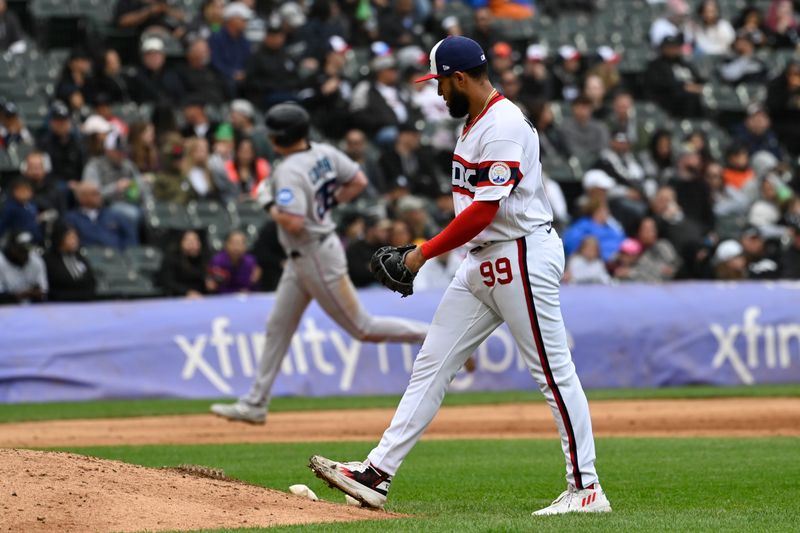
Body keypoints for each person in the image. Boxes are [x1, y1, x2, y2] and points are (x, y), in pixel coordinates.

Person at [309, 36, 611, 515]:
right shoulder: (474, 123)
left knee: (553, 375)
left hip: (520, 253)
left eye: (441, 82)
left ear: (461, 77)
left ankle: (586, 488)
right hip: (483, 262)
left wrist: (420, 254)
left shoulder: (505, 124)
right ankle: (376, 473)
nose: (438, 92)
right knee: (431, 364)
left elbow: (483, 213)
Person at [210, 102, 430, 424]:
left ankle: (432, 336)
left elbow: (294, 223)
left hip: (314, 254)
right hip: (303, 257)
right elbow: (358, 181)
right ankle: (256, 402)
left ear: (276, 138)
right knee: (278, 327)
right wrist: (326, 204)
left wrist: (268, 201)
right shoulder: (325, 152)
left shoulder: (288, 170)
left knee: (363, 328)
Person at [644, 34, 705, 118]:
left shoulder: (685, 64)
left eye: (675, 47)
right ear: (663, 48)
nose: (673, 49)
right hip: (670, 100)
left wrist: (698, 87)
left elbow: (698, 79)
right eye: (670, 47)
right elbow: (659, 84)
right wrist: (684, 87)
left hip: (691, 96)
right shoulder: (656, 65)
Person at [64, 182, 138, 250]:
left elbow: (130, 237)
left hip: (117, 258)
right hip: (89, 257)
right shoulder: (72, 218)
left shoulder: (114, 215)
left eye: (99, 193)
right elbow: (72, 241)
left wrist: (126, 253)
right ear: (81, 198)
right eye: (94, 194)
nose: (99, 197)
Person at [44, 224, 97, 302]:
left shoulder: (80, 258)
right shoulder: (48, 261)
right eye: (70, 238)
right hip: (59, 305)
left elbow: (91, 281)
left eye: (75, 237)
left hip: (85, 303)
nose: (74, 241)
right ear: (59, 239)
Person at [209, 2, 253, 88]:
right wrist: (231, 73)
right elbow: (215, 61)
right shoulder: (216, 37)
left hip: (242, 76)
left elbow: (249, 60)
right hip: (222, 78)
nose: (246, 23)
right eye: (243, 20)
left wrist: (244, 73)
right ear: (232, 19)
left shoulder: (244, 40)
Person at [0, 231, 47, 304]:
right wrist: (21, 295)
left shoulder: (36, 261)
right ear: (11, 248)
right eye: (21, 251)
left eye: (27, 251)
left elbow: (43, 292)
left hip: (33, 310)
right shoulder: (1, 262)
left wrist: (37, 292)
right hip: (5, 311)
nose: (25, 254)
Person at [0, 179, 42, 244]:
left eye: (26, 190)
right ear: (14, 192)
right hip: (17, 240)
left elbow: (35, 220)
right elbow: (3, 224)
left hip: (34, 238)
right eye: (21, 191)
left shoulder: (32, 205)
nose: (24, 193)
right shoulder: (10, 207)